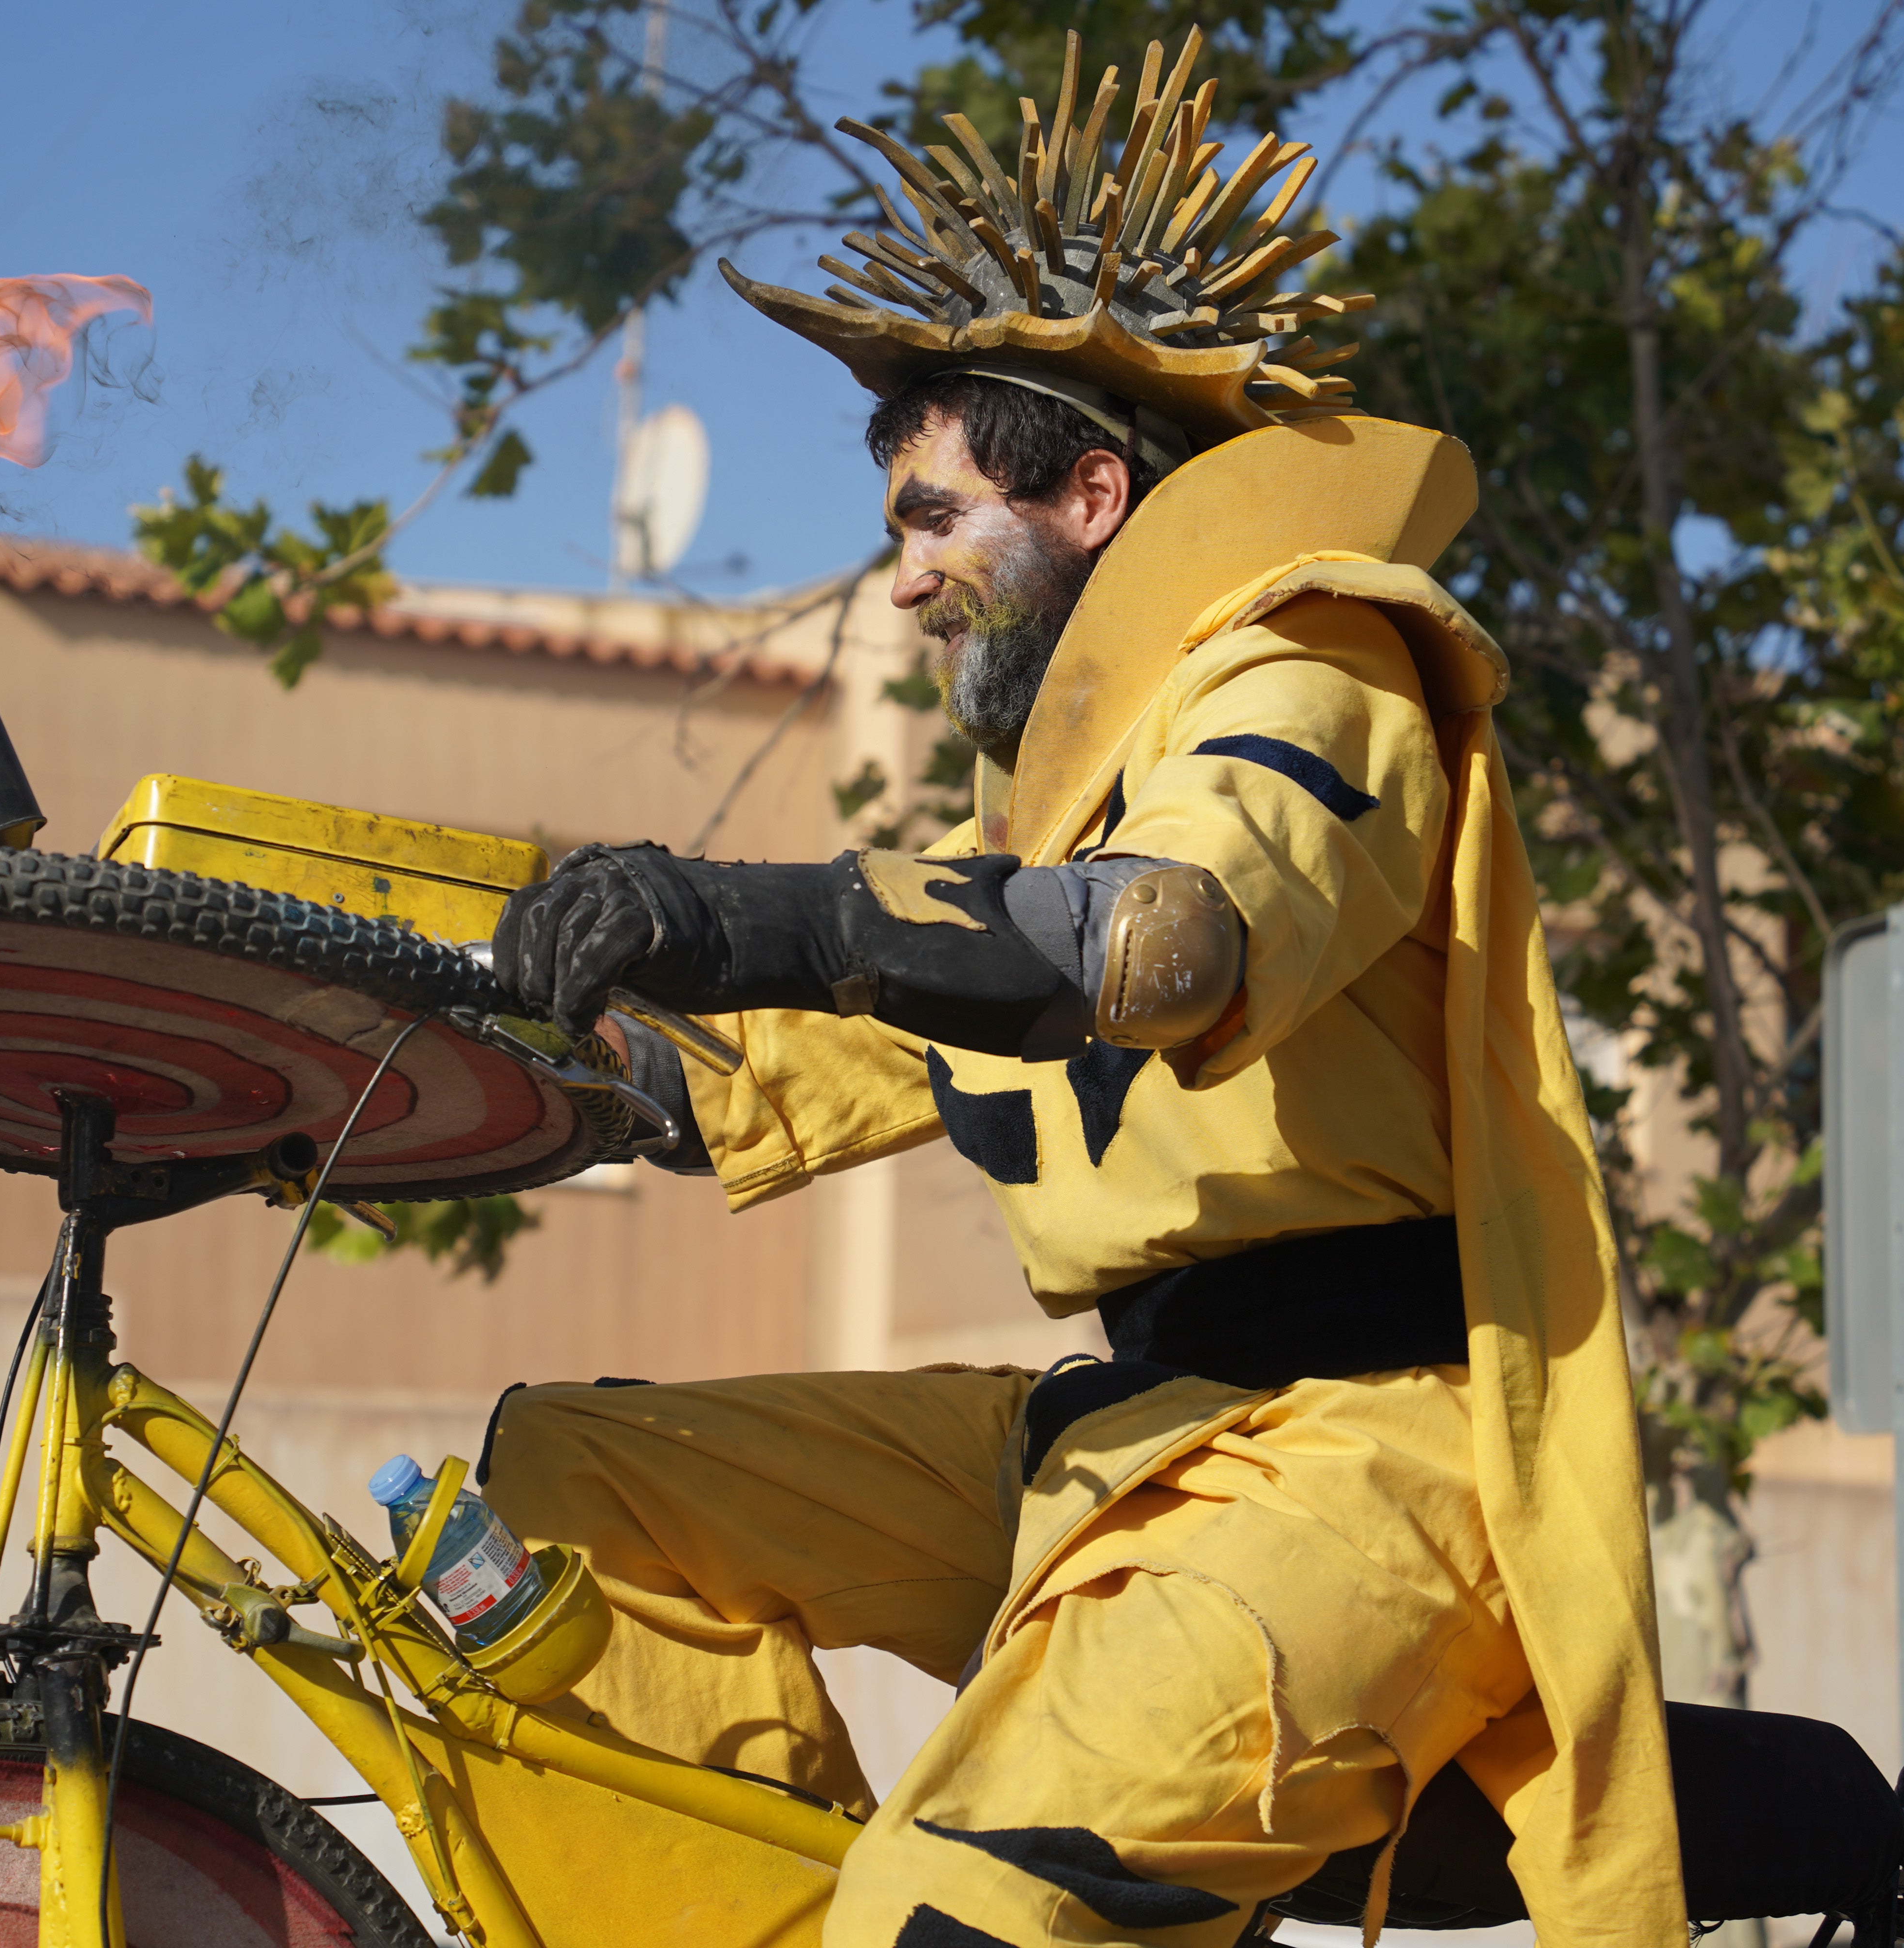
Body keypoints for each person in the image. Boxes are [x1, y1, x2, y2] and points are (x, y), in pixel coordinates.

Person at [481, 31, 1685, 1948]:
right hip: (1124, 1441)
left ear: (1096, 494)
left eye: (931, 518)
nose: (901, 584)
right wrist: (333, 1023)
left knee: (957, 1911)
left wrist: (757, 910)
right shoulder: (1039, 817)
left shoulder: (1315, 663)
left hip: (1364, 1465)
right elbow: (714, 1070)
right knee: (567, 1479)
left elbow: (1167, 940)